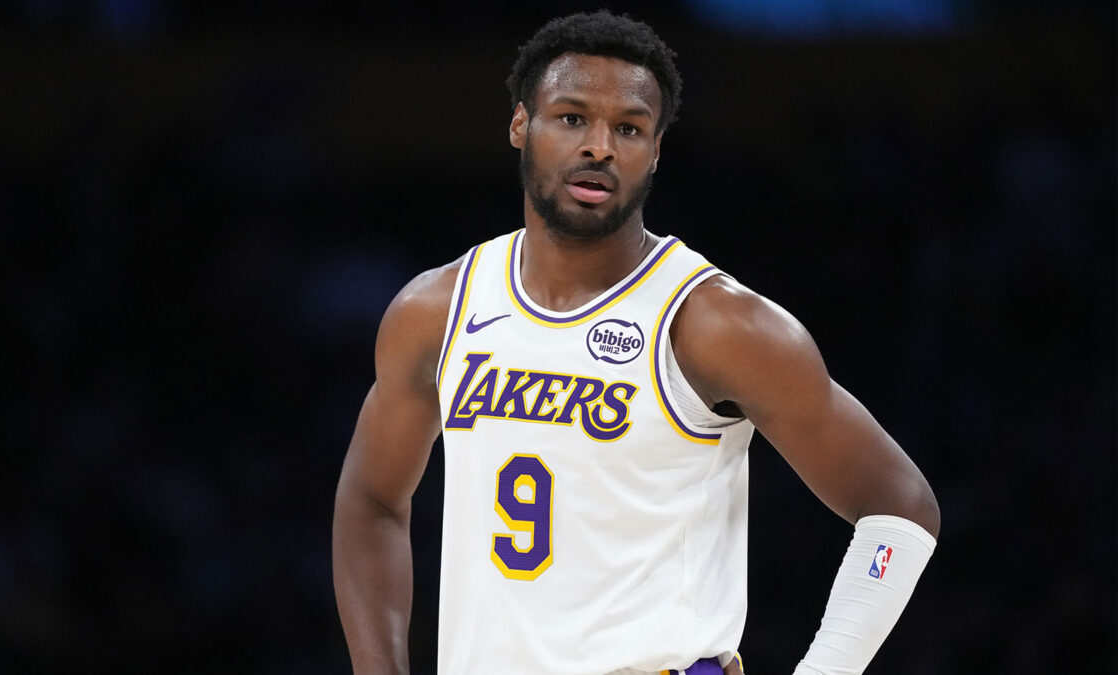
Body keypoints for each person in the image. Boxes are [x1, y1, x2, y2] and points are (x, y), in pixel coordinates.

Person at [333, 10, 939, 675]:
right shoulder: (437, 309)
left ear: (655, 151)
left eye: (628, 128)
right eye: (572, 118)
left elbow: (900, 505)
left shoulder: (715, 322)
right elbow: (371, 499)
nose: (599, 146)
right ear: (520, 125)